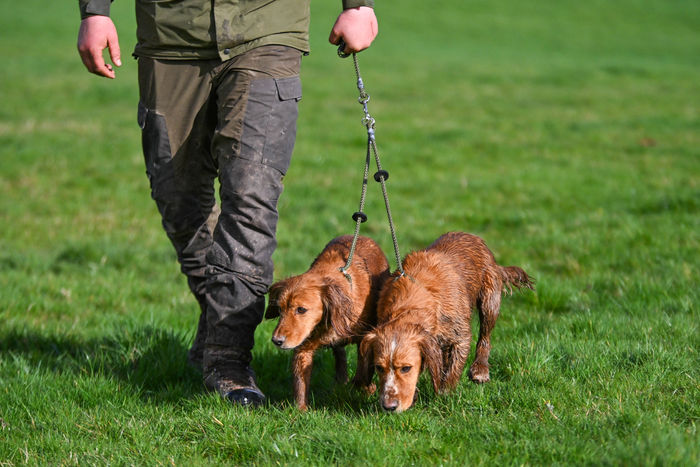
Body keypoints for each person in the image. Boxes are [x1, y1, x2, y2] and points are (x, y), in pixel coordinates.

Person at [77, 0, 378, 407]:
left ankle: (228, 361)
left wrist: (357, 5)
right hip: (170, 36)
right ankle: (219, 317)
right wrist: (95, 11)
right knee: (178, 197)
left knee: (251, 198)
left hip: (267, 29)